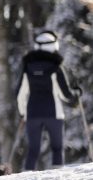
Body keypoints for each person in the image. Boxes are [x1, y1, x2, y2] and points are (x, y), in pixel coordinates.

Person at [15, 30, 79, 171]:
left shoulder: (27, 66)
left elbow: (20, 93)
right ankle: (58, 177)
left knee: (33, 150)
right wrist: (76, 95)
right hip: (54, 113)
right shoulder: (56, 66)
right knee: (57, 148)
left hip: (32, 113)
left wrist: (23, 112)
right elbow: (64, 94)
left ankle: (26, 179)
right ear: (54, 45)